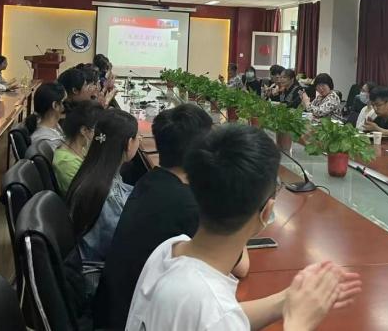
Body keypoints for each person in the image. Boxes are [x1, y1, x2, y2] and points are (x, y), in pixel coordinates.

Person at [125, 125, 362, 331]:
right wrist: (298, 323)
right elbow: (217, 319)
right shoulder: (211, 310)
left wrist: (286, 300)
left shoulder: (169, 249)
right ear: (266, 212)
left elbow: (221, 318)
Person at [94, 104, 248, 329]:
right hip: (136, 319)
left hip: (117, 309)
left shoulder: (149, 180)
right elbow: (241, 267)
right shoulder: (187, 204)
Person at [67, 109, 138, 262]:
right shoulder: (108, 194)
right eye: (137, 138)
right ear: (129, 144)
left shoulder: (95, 170)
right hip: (95, 269)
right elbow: (120, 246)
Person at [53, 100, 104, 194]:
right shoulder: (66, 162)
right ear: (84, 130)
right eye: (99, 130)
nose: (101, 135)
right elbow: (90, 195)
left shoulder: (82, 148)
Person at [24, 82, 66, 155]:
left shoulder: (53, 125)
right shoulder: (48, 141)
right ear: (55, 105)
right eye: (64, 103)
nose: (66, 107)